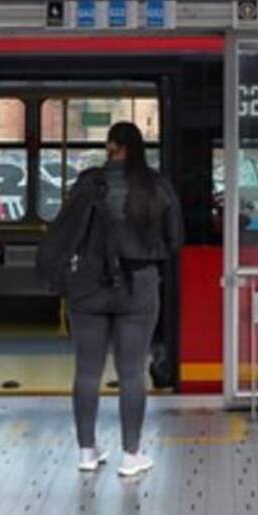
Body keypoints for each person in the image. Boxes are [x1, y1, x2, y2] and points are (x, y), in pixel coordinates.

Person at [67, 121, 183, 477]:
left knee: (87, 371)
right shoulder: (156, 185)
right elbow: (175, 237)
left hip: (88, 285)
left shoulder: (88, 184)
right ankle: (131, 455)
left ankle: (87, 450)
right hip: (139, 284)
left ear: (113, 147)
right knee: (132, 372)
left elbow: (66, 231)